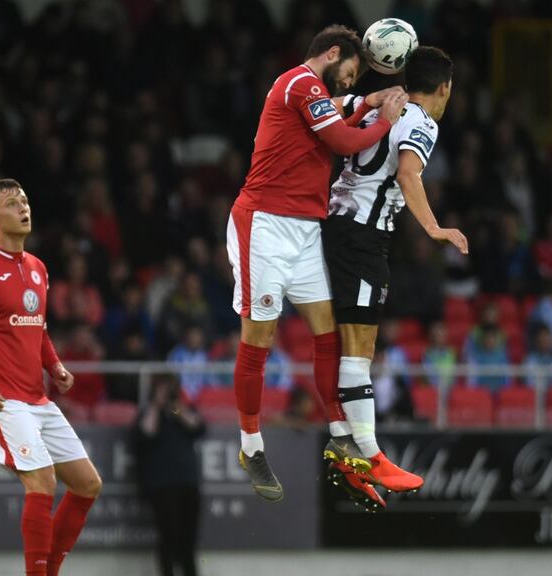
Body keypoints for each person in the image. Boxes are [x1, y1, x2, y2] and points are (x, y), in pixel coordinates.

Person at [226, 24, 409, 502]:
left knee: (326, 333)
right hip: (263, 224)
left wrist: (370, 102)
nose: (350, 82)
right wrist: (386, 117)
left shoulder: (317, 94)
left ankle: (337, 429)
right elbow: (345, 143)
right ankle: (250, 444)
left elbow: (345, 120)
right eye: (349, 73)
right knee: (258, 339)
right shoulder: (299, 82)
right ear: (332, 54)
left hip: (306, 229)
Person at [322, 46, 466, 505]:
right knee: (359, 351)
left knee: (344, 345)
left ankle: (349, 457)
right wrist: (434, 228)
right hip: (363, 235)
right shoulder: (422, 120)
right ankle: (369, 454)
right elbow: (408, 174)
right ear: (444, 88)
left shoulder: (380, 104)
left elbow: (337, 126)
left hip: (337, 224)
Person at [0, 179, 101, 576]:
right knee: (42, 482)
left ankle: (49, 570)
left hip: (38, 398)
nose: (23, 208)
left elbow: (38, 329)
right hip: (2, 400)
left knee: (87, 485)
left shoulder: (38, 268)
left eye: (25, 200)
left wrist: (55, 366)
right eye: (12, 203)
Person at [135, 376, 205, 576]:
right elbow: (146, 433)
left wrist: (176, 407)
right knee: (168, 537)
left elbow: (197, 427)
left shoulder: (180, 413)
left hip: (188, 484)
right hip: (162, 486)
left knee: (188, 540)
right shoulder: (149, 413)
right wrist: (157, 405)